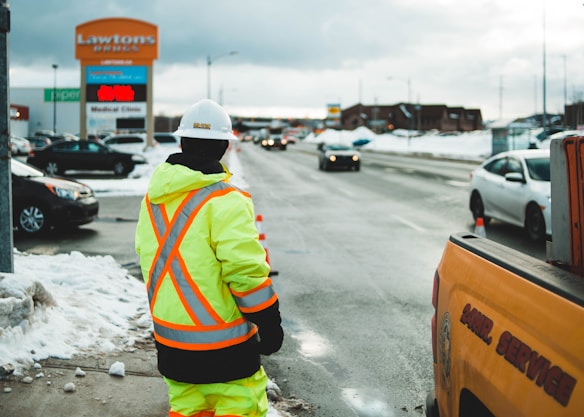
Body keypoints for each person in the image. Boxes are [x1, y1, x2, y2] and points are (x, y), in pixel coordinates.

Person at [135, 99, 284, 417]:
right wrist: (270, 323)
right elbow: (245, 273)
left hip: (171, 343)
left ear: (181, 141)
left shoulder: (154, 199)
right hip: (226, 349)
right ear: (223, 146)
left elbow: (146, 256)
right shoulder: (227, 200)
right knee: (240, 406)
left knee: (187, 408)